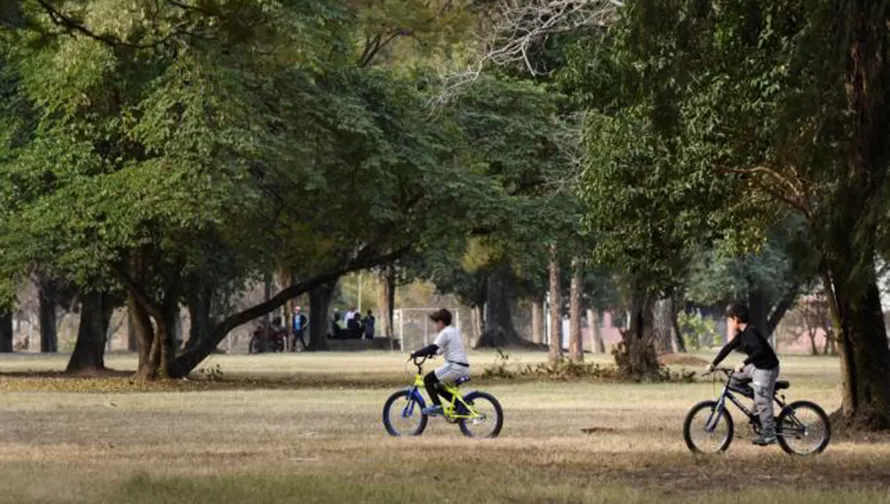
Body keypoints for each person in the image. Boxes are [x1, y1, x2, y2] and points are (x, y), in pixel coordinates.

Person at [706, 303, 780, 446]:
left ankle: (769, 434)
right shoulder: (742, 335)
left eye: (729, 319)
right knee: (733, 380)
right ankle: (759, 399)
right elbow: (728, 348)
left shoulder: (751, 332)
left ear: (736, 319)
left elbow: (759, 351)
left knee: (762, 399)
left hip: (767, 368)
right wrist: (714, 363)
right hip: (757, 366)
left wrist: (743, 363)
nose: (728, 322)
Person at [409, 308, 469, 416]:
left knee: (428, 379)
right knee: (437, 386)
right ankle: (460, 406)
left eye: (436, 323)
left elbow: (432, 347)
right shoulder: (453, 331)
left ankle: (438, 406)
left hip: (454, 366)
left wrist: (416, 353)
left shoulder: (445, 333)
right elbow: (438, 350)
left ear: (441, 322)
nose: (435, 326)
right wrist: (432, 354)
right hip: (463, 367)